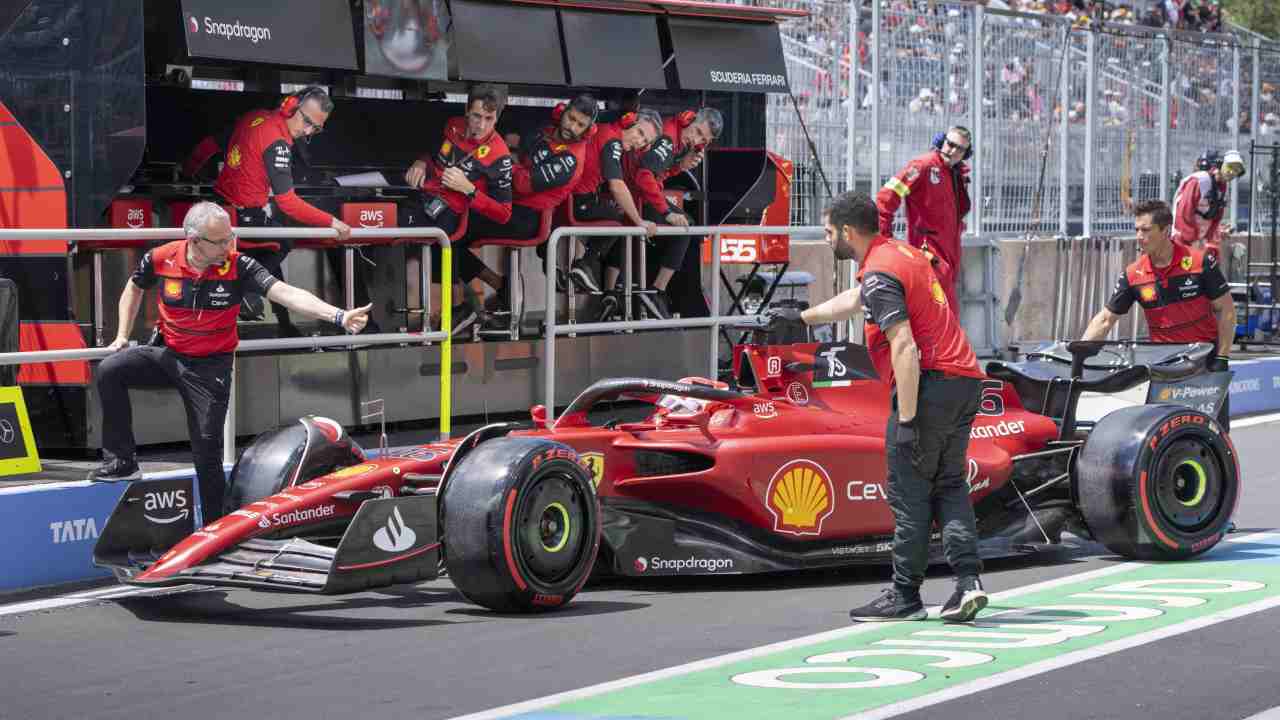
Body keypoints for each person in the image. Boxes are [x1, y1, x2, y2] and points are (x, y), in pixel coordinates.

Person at [765, 191, 989, 623]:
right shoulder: (899, 254)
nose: (827, 239)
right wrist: (802, 318)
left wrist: (907, 420)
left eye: (829, 232)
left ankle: (905, 596)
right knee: (949, 485)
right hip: (964, 381)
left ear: (848, 232)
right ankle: (968, 583)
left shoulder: (880, 274)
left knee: (909, 492)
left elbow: (903, 345)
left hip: (928, 386)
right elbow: (857, 299)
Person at [88, 202, 372, 525]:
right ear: (194, 241)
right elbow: (134, 286)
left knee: (206, 452)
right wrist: (122, 335)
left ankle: (215, 529)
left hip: (211, 368)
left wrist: (338, 315)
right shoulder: (161, 257)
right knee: (111, 369)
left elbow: (286, 293)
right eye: (221, 241)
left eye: (230, 237)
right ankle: (122, 462)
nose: (229, 245)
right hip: (169, 355)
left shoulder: (239, 265)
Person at [197, 86, 353, 336]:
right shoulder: (278, 142)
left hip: (220, 209)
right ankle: (245, 292)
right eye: (307, 121)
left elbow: (210, 144)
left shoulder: (254, 117)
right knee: (284, 241)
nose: (308, 131)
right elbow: (288, 202)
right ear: (290, 106)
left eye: (316, 128)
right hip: (242, 217)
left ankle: (284, 324)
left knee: (272, 247)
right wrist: (332, 221)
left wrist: (188, 172)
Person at [1082, 199, 1234, 428]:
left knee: (1212, 436)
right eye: (1136, 230)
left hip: (1205, 366)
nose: (1139, 236)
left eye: (1146, 230)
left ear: (1165, 230)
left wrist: (1222, 359)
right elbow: (1105, 320)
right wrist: (1079, 355)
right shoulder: (1133, 274)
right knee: (1165, 437)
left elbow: (1227, 310)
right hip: (1164, 370)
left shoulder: (1200, 261)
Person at [464, 94, 598, 318]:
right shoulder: (546, 131)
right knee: (451, 224)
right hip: (511, 207)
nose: (572, 127)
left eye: (580, 125)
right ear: (562, 111)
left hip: (527, 219)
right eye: (571, 118)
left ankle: (485, 295)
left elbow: (523, 183)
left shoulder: (570, 159)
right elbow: (518, 152)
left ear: (588, 130)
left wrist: (502, 160)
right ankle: (499, 288)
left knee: (453, 228)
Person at [402, 83, 515, 335]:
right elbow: (432, 153)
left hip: (453, 214)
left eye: (489, 118)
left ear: (497, 117)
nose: (481, 125)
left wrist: (469, 190)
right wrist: (421, 162)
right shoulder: (453, 125)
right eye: (476, 116)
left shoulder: (500, 155)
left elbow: (504, 214)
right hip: (424, 197)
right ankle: (462, 309)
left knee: (418, 233)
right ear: (466, 110)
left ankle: (445, 314)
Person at [593, 107, 725, 320]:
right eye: (698, 132)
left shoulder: (678, 140)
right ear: (688, 119)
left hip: (626, 196)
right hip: (632, 196)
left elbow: (658, 174)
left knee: (627, 234)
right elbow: (645, 176)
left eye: (704, 140)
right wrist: (666, 211)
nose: (697, 140)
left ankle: (609, 293)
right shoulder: (668, 140)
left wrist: (681, 166)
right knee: (685, 226)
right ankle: (657, 292)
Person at [562, 108, 663, 296]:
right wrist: (639, 221)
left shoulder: (605, 131)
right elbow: (616, 186)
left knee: (615, 211)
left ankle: (572, 271)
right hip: (574, 202)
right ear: (629, 121)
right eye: (640, 132)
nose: (639, 141)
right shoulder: (612, 141)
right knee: (617, 219)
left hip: (567, 199)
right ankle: (584, 265)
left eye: (644, 141)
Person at [875, 126, 972, 314]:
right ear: (942, 141)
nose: (953, 151)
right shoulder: (923, 166)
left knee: (946, 315)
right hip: (929, 255)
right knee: (938, 314)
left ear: (965, 154)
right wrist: (886, 238)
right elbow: (886, 197)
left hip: (949, 257)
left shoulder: (956, 174)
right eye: (950, 144)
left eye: (960, 149)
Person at [1171, 149, 1245, 259]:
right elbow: (1184, 211)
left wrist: (1208, 238)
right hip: (1184, 240)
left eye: (1237, 171)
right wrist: (1193, 239)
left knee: (1208, 267)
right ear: (1220, 164)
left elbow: (1215, 217)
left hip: (1200, 242)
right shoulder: (1201, 181)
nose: (1232, 172)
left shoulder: (1222, 187)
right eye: (1230, 167)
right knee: (1185, 267)